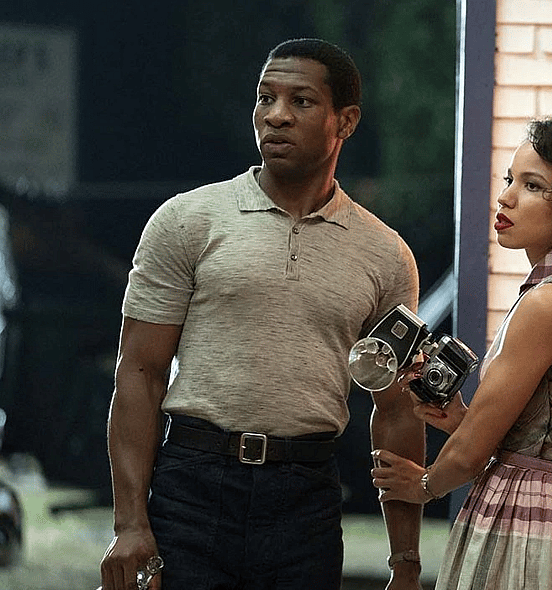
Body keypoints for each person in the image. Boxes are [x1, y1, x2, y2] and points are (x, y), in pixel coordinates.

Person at [99, 38, 425, 590]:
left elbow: (396, 412)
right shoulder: (187, 220)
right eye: (265, 97)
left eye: (301, 101)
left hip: (306, 496)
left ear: (345, 121)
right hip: (191, 484)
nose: (276, 115)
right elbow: (139, 373)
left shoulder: (386, 255)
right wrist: (130, 524)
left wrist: (406, 562)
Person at [371, 118, 552, 590]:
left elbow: (469, 456)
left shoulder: (550, 302)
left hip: (528, 520)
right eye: (509, 179)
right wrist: (461, 419)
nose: (505, 198)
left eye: (533, 185)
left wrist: (422, 485)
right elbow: (539, 439)